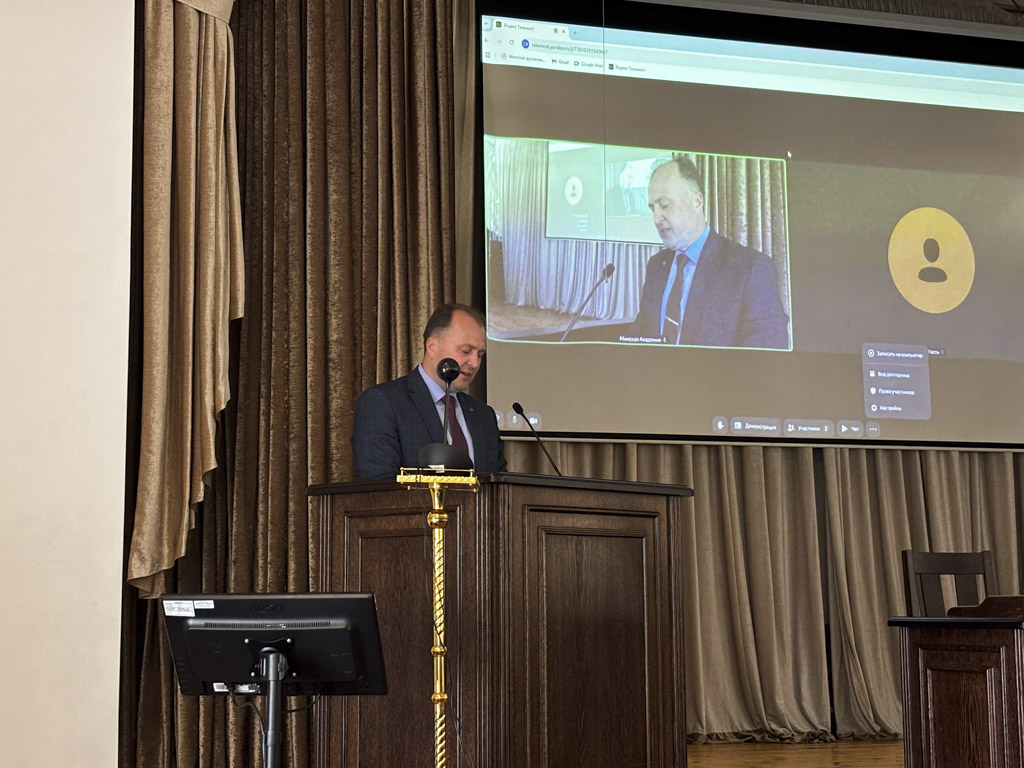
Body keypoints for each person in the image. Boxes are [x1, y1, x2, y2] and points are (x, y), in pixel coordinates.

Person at [630, 157, 789, 349]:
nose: (656, 218)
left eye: (664, 205)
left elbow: (767, 356)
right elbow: (641, 336)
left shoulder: (750, 268)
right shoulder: (656, 266)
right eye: (652, 209)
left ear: (697, 202)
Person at [350, 303, 508, 480]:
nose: (475, 363)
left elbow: (500, 484)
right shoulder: (383, 402)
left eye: (479, 355)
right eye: (466, 351)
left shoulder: (483, 415)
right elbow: (378, 482)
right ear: (432, 346)